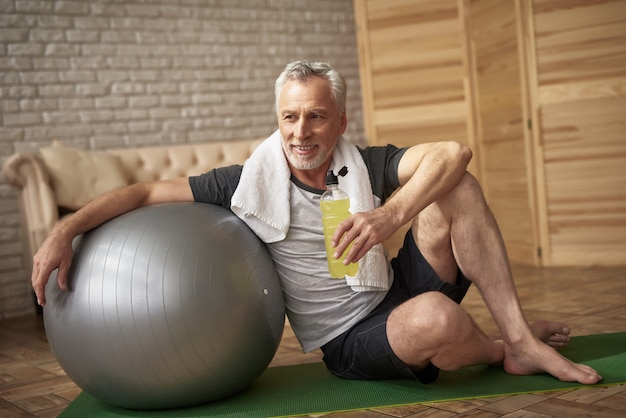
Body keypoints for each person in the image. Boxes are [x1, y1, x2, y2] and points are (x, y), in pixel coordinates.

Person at [31, 60, 601, 386]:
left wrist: (387, 215)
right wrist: (65, 230)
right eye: (289, 116)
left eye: (315, 116)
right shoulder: (244, 183)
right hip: (350, 338)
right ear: (277, 121)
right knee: (436, 317)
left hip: (394, 286)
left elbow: (453, 152)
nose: (301, 131)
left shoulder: (364, 164)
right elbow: (142, 190)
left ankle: (520, 339)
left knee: (456, 185)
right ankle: (500, 345)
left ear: (339, 122)